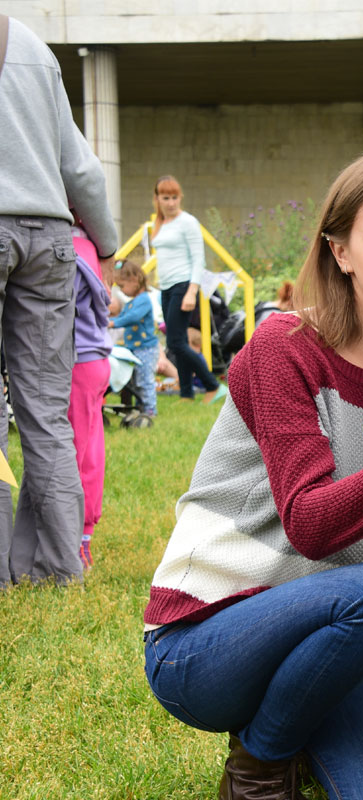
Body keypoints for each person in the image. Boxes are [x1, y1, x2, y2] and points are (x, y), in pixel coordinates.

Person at [142, 151, 363, 800]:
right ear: (340, 252)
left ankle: (290, 723)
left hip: (320, 647)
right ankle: (260, 760)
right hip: (203, 641)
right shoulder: (285, 347)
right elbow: (311, 526)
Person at [0, 15, 119, 587]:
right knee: (47, 413)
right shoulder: (29, 43)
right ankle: (55, 566)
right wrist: (108, 244)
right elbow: (81, 169)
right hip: (49, 238)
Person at [149, 175, 225, 403]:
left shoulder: (188, 222)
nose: (170, 202)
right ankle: (187, 393)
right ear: (157, 199)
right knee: (178, 339)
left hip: (184, 285)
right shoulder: (160, 224)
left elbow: (198, 259)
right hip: (166, 287)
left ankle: (213, 384)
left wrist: (192, 291)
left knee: (175, 343)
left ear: (180, 197)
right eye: (165, 198)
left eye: (174, 197)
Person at [68, 224, 112, 569]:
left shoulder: (67, 246)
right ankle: (84, 534)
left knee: (76, 452)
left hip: (78, 361)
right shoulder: (91, 246)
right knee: (91, 449)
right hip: (95, 359)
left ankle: (79, 540)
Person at [109, 261, 159, 418]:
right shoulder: (131, 303)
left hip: (145, 348)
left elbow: (133, 318)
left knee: (144, 380)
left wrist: (113, 323)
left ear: (135, 280)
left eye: (122, 286)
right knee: (135, 381)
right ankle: (140, 407)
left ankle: (150, 410)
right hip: (134, 348)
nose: (122, 290)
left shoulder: (143, 300)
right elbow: (124, 315)